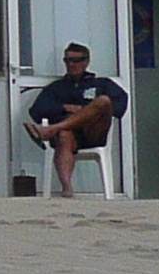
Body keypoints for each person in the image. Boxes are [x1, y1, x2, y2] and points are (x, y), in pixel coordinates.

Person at [25, 42, 129, 194]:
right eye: (67, 61)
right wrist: (64, 107)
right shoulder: (56, 88)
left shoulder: (102, 84)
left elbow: (120, 108)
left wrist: (87, 111)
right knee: (64, 135)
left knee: (103, 101)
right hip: (68, 136)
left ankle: (52, 129)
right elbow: (36, 111)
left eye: (76, 60)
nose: (71, 64)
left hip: (93, 132)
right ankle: (67, 188)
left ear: (86, 61)